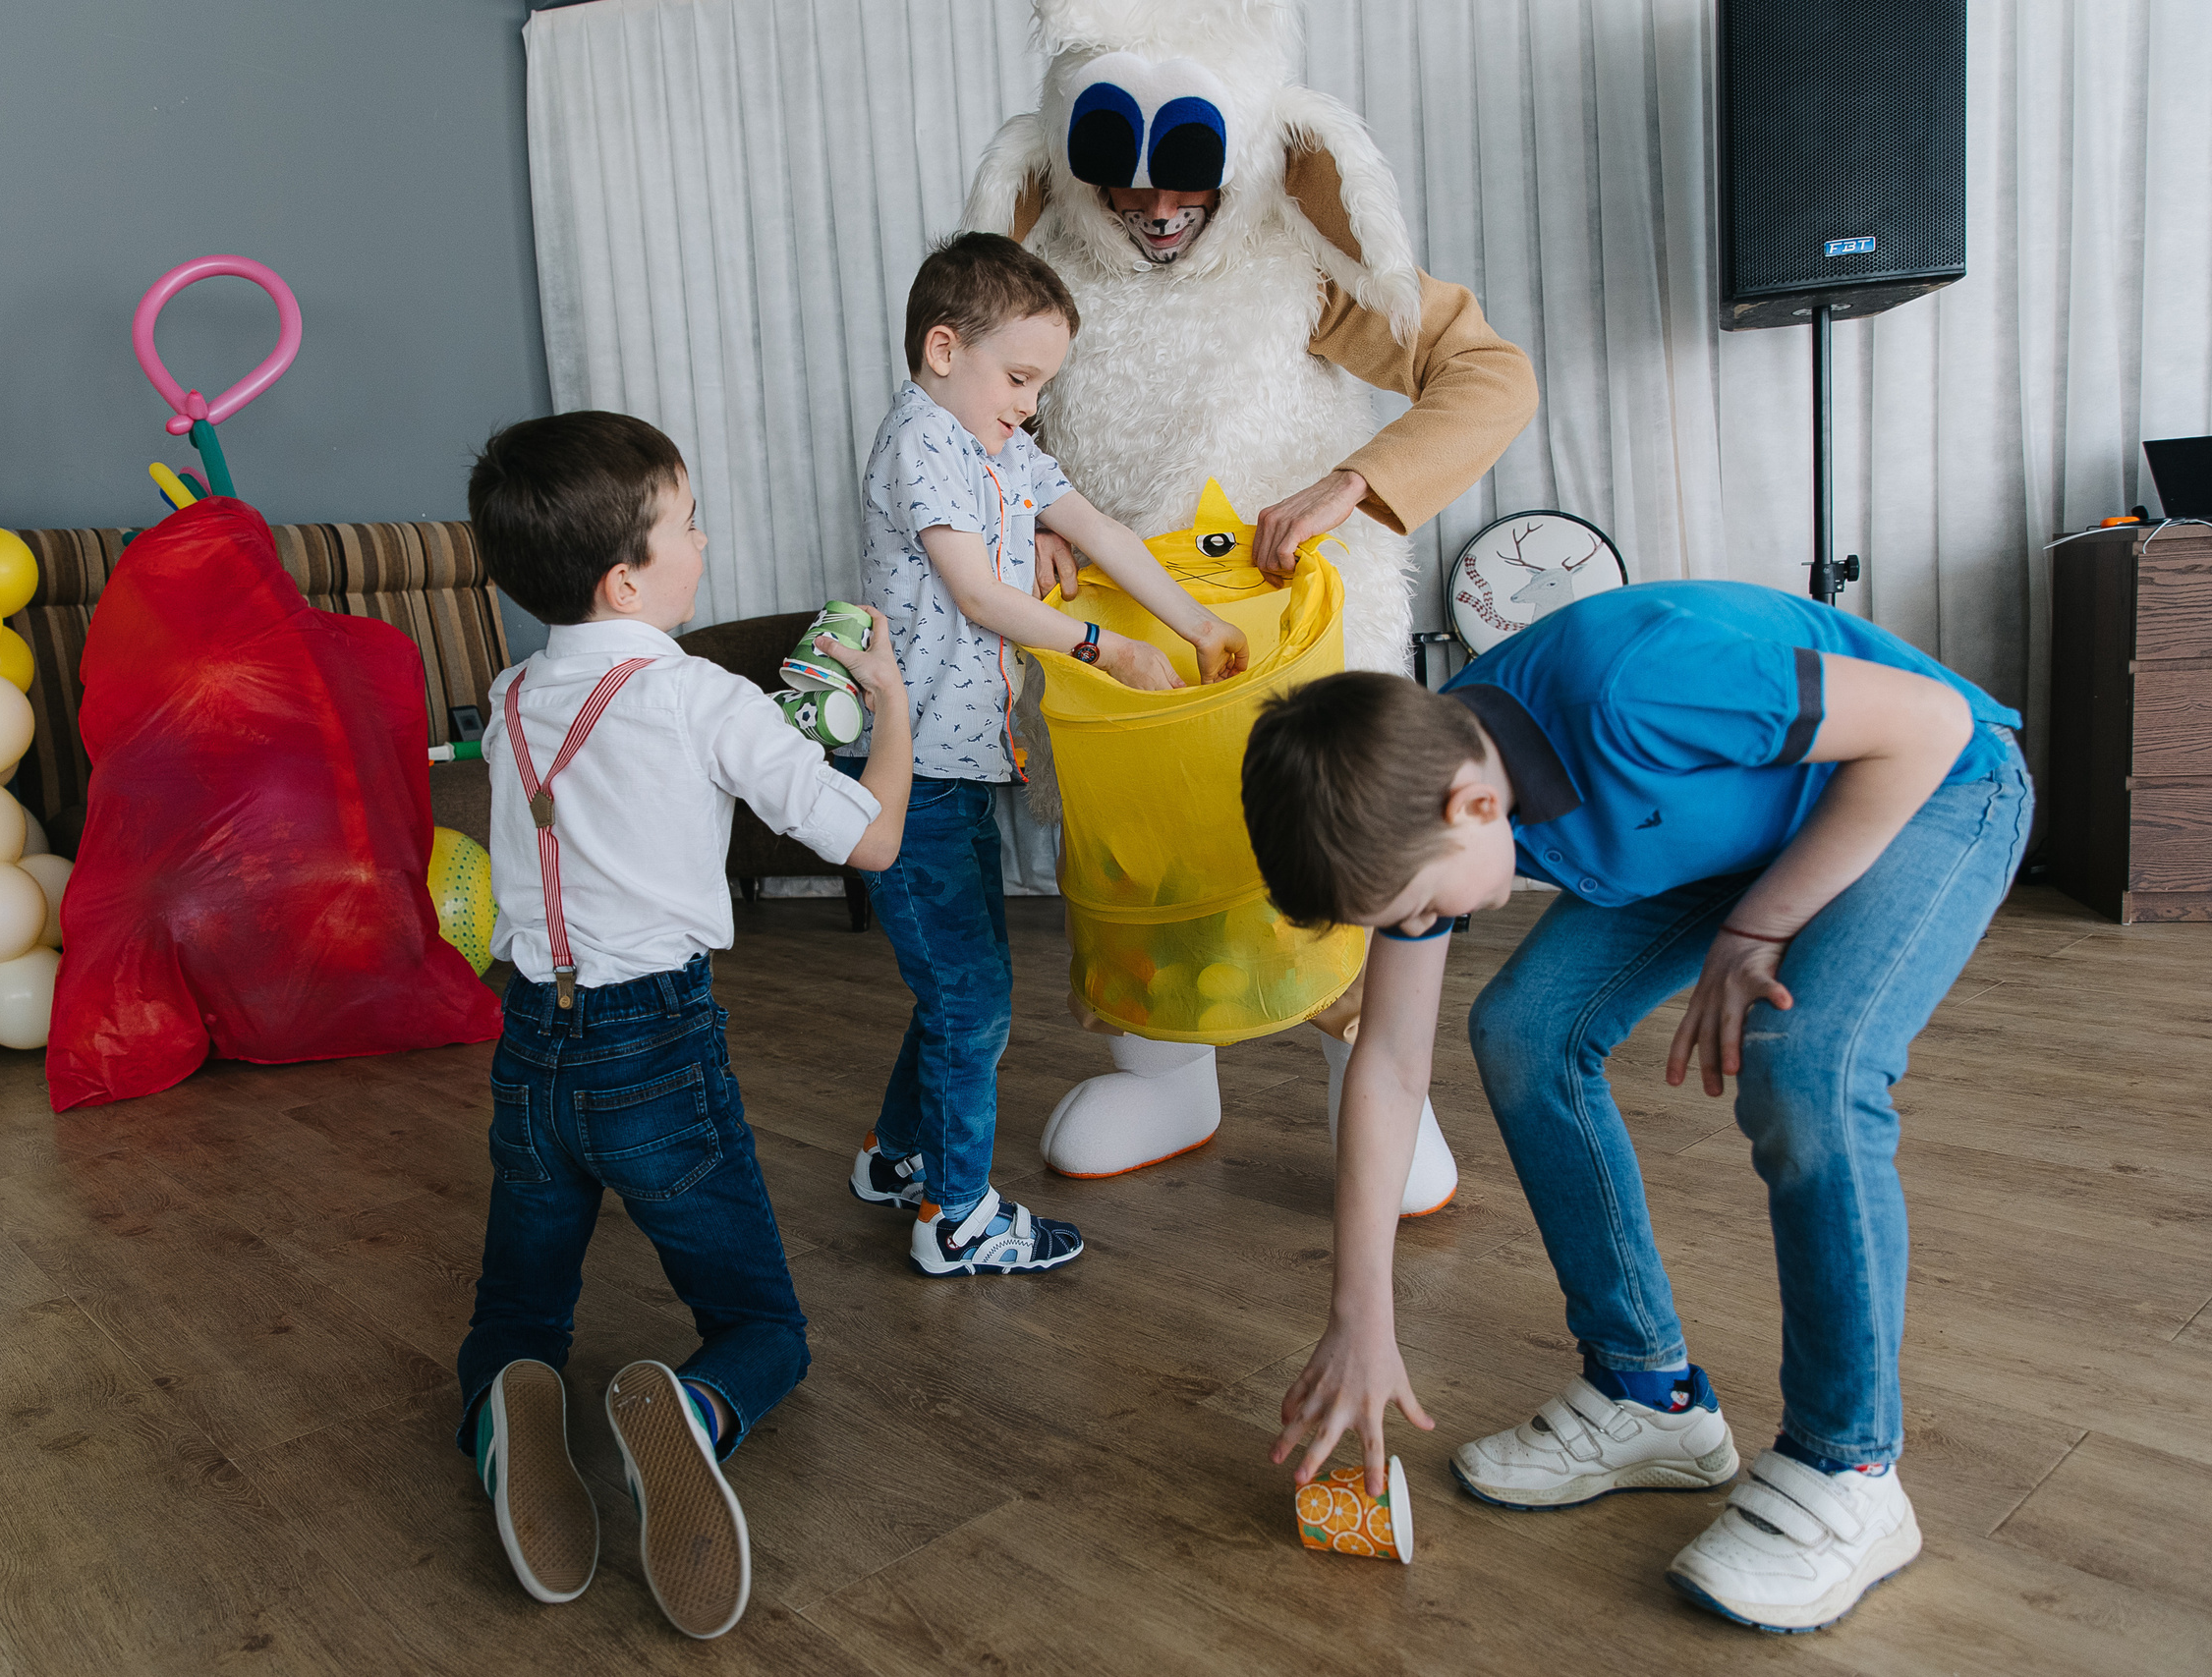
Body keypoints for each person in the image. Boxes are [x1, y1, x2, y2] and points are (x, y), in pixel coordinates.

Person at [1241, 580, 2031, 1634]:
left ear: (1474, 805)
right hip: (1741, 829)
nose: (1423, 928)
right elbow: (1387, 1064)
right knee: (1523, 1032)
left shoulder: (1635, 692)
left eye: (1421, 908)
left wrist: (1759, 929)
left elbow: (1928, 727)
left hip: (1933, 787)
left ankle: (1852, 1470)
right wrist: (1359, 1316)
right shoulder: (1419, 790)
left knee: (1805, 1067)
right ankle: (1646, 1395)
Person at [961, 0, 1538, 1195]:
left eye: (1184, 183)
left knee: (1328, 854)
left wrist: (1356, 481)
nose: (1156, 209)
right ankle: (1164, 1074)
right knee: (1148, 867)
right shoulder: (1038, 284)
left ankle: (1369, 1090)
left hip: (1290, 641)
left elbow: (1487, 372)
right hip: (1123, 657)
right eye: (1123, 185)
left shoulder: (1302, 271)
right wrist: (1028, 522)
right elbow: (973, 438)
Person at [453, 411, 913, 1640]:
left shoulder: (507, 696)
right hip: (655, 1045)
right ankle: (698, 1407)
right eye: (689, 521)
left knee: (517, 1310)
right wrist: (888, 706)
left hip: (530, 1045)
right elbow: (869, 837)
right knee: (763, 1324)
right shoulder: (701, 697)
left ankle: (507, 1403)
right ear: (626, 576)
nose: (704, 541)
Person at [837, 231, 1250, 1278]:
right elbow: (978, 593)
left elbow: (1099, 532)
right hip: (909, 770)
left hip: (957, 768)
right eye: (1017, 378)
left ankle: (899, 1157)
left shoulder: (995, 446)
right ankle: (957, 1216)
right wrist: (1109, 647)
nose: (1028, 402)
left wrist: (1194, 622)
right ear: (942, 349)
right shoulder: (923, 442)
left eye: (1040, 384)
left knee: (956, 985)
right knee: (972, 999)